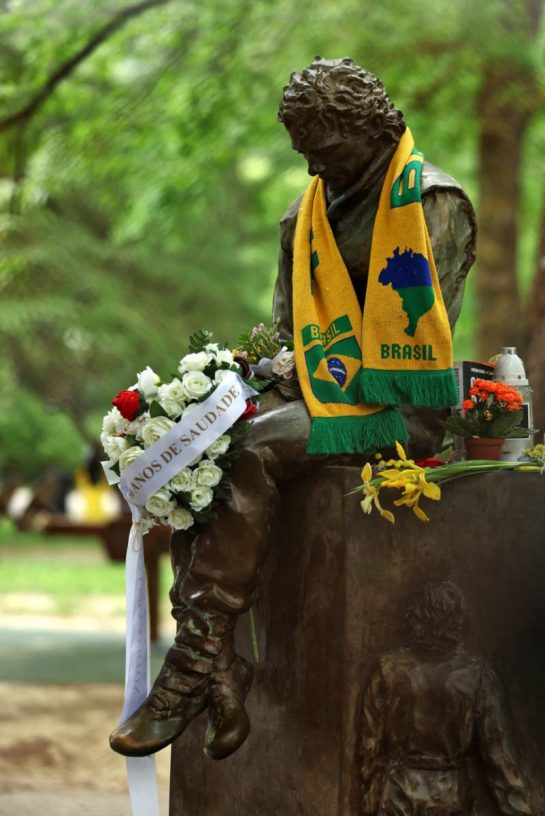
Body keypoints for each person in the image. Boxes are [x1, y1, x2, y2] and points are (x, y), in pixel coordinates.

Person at [109, 57, 477, 762]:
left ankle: (193, 671)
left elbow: (417, 334)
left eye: (323, 146)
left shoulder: (430, 202)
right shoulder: (303, 211)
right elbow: (287, 331)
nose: (311, 163)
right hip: (318, 390)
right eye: (300, 148)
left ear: (368, 130)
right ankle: (218, 661)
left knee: (252, 449)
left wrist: (301, 390)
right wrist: (230, 391)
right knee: (206, 443)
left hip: (398, 404)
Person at [360, 582, 531, 815]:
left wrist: (370, 801)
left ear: (417, 618)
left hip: (398, 795)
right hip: (450, 796)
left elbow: (371, 749)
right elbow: (500, 759)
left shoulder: (386, 670)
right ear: (454, 620)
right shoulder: (478, 675)